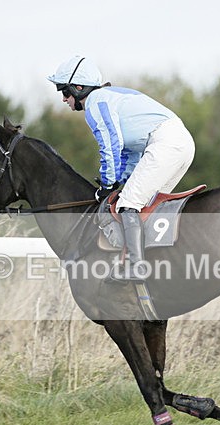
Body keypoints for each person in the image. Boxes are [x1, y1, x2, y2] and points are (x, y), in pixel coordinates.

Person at [47, 55, 195, 281]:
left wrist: (107, 184)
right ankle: (155, 264)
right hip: (180, 143)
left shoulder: (95, 103)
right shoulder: (109, 97)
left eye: (64, 92)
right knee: (145, 205)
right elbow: (130, 153)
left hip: (166, 143)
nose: (64, 99)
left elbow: (110, 146)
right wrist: (120, 180)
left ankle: (137, 268)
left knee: (128, 204)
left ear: (78, 88)